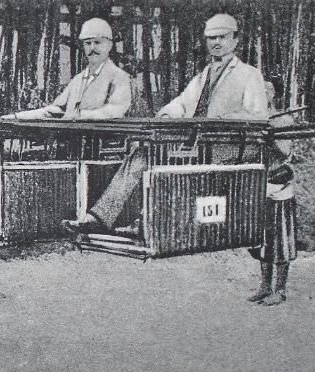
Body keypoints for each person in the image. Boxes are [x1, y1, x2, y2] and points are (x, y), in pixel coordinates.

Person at [63, 13, 267, 234]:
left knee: (164, 161)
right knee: (144, 151)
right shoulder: (203, 75)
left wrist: (219, 122)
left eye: (222, 37)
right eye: (211, 38)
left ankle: (146, 222)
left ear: (235, 40)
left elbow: (257, 116)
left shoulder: (249, 75)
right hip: (196, 144)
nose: (216, 43)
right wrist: (168, 114)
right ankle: (100, 217)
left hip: (228, 147)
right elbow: (182, 102)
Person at [0, 17, 132, 230]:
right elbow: (54, 110)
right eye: (87, 43)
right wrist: (14, 118)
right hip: (65, 142)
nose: (92, 48)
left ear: (109, 44)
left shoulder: (119, 77)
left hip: (97, 147)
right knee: (2, 147)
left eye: (97, 42)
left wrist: (81, 117)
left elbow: (116, 110)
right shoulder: (79, 79)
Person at [246, 80, 297, 306]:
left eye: (264, 90)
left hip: (279, 184)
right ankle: (265, 286)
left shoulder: (283, 119)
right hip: (257, 184)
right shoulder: (250, 120)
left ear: (272, 93)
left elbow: (285, 151)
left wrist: (270, 136)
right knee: (260, 240)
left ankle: (281, 289)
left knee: (281, 239)